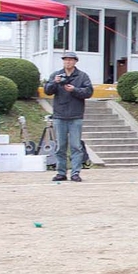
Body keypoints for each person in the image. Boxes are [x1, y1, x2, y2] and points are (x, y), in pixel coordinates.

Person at [43, 51, 94, 182]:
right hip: (59, 115)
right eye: (66, 60)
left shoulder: (82, 76)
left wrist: (74, 90)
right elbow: (47, 91)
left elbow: (89, 92)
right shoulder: (56, 75)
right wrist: (55, 82)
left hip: (76, 115)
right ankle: (61, 172)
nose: (68, 62)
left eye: (71, 60)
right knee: (60, 146)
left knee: (76, 146)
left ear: (75, 61)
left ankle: (75, 173)